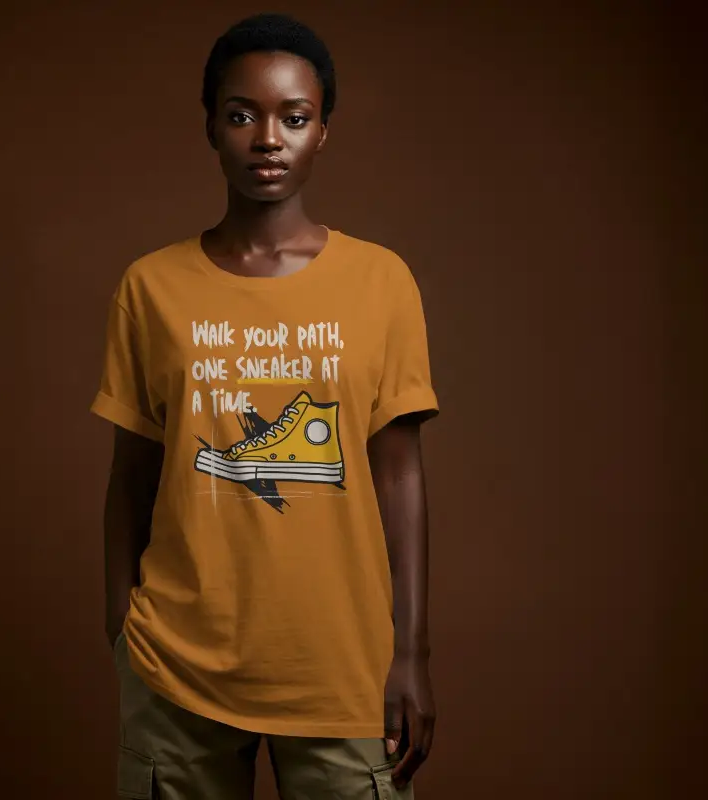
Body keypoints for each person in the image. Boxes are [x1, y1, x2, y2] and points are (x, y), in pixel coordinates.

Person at [92, 13, 439, 799]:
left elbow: (400, 476)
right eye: (243, 114)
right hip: (177, 664)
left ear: (324, 132)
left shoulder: (382, 281)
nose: (268, 139)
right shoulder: (151, 287)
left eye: (294, 116)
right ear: (212, 127)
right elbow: (132, 478)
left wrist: (411, 652)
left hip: (341, 665)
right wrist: (122, 627)